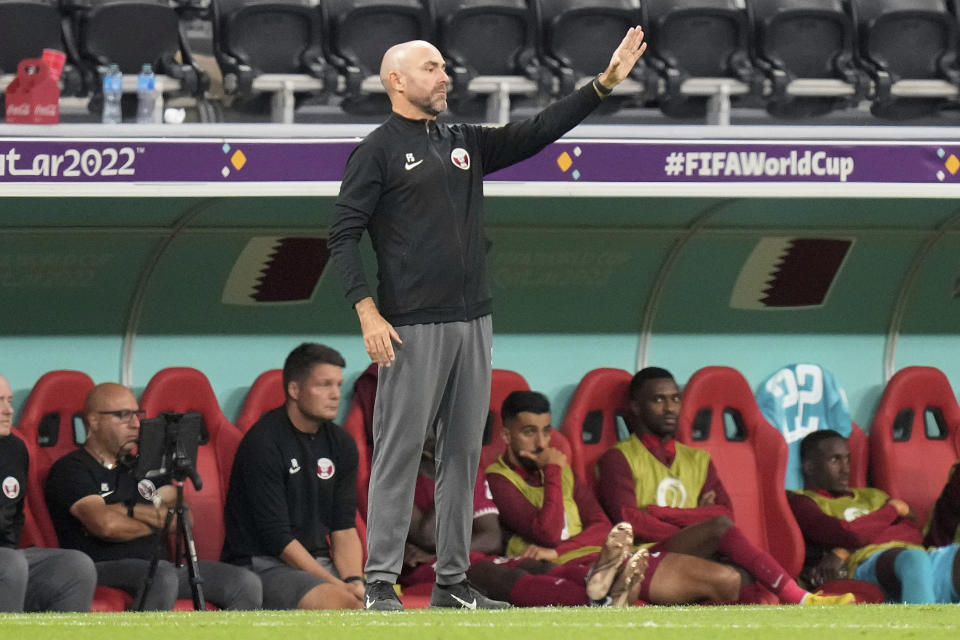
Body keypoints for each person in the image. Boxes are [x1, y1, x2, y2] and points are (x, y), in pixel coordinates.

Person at [327, 28, 649, 612]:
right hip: (411, 324)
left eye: (445, 66)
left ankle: (453, 584)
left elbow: (534, 133)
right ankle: (379, 584)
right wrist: (367, 310)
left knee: (462, 456)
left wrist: (601, 87)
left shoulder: (463, 140)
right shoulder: (374, 149)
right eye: (431, 68)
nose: (445, 75)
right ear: (397, 80)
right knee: (400, 452)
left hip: (474, 320)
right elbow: (342, 236)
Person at [480, 390, 768, 606]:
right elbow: (547, 532)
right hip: (566, 568)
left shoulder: (562, 470)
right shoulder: (499, 477)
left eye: (545, 431)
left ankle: (795, 597)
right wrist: (553, 471)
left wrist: (557, 476)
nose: (541, 443)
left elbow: (602, 525)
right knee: (726, 580)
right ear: (506, 436)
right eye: (529, 432)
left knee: (736, 576)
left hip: (605, 557)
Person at [596, 367, 853, 605]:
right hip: (648, 553)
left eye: (675, 399)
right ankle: (799, 597)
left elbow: (725, 512)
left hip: (696, 552)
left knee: (747, 578)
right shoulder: (618, 457)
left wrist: (663, 513)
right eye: (658, 400)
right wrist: (700, 528)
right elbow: (629, 522)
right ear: (636, 407)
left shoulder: (698, 459)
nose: (670, 408)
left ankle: (795, 608)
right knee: (719, 532)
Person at [44, 382, 261, 610]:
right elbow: (105, 525)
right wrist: (160, 521)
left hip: (160, 566)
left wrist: (126, 510)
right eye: (122, 416)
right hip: (102, 567)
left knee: (245, 583)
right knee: (162, 576)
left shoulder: (145, 467)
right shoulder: (71, 469)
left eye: (137, 415)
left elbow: (184, 519)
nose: (135, 424)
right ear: (94, 421)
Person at [222, 343, 364, 610]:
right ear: (294, 390)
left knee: (375, 604)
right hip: (262, 565)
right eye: (324, 385)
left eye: (338, 385)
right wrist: (337, 586)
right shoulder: (263, 442)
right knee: (344, 604)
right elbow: (278, 538)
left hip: (318, 562)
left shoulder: (341, 444)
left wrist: (354, 580)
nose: (335, 394)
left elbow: (343, 527)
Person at [789, 429, 960, 604]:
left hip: (916, 561)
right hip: (864, 566)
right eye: (835, 460)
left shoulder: (873, 495)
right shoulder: (802, 501)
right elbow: (846, 533)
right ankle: (921, 629)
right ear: (809, 466)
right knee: (913, 559)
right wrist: (893, 509)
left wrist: (845, 549)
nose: (845, 469)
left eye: (848, 459)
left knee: (920, 558)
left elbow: (913, 533)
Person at [0, 374, 97, 612]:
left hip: (7, 556)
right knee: (11, 564)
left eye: (9, 400)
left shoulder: (14, 447)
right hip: (7, 563)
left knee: (76, 565)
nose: (8, 410)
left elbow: (14, 516)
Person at [400, 438, 502, 588]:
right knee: (491, 576)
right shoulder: (399, 474)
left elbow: (493, 539)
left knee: (533, 568)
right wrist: (447, 477)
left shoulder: (466, 468)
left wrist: (444, 554)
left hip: (466, 558)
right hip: (424, 570)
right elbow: (429, 538)